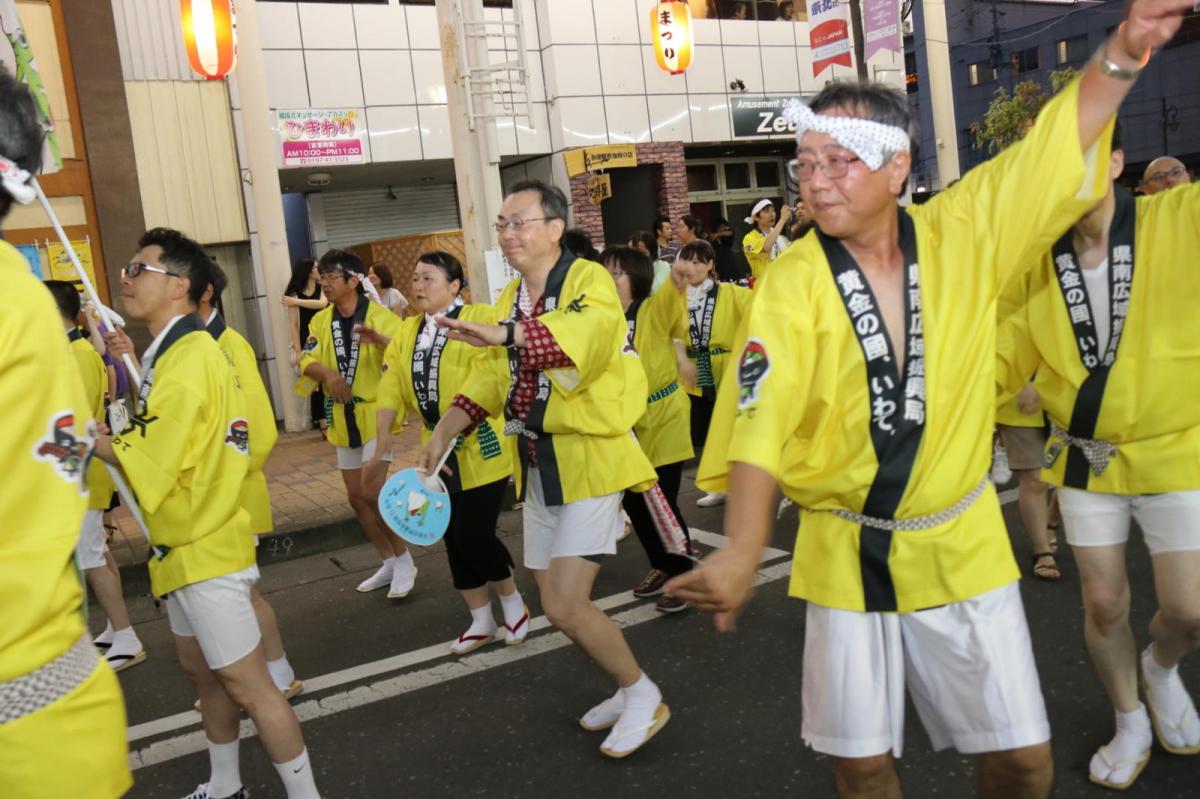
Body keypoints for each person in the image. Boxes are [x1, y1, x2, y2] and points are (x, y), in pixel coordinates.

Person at [666, 4, 1188, 793]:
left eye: (839, 161)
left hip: (961, 538)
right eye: (805, 163)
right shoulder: (793, 282)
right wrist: (740, 546)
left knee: (1021, 761)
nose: (814, 180)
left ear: (897, 167)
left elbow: (1050, 146)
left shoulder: (966, 232)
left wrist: (1125, 47)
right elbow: (760, 414)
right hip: (846, 547)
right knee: (862, 767)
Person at [419, 179, 669, 758]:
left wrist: (506, 335)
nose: (508, 233)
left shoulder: (588, 282)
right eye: (503, 224)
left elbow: (585, 336)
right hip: (540, 463)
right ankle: (625, 684)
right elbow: (488, 376)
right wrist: (443, 431)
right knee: (551, 597)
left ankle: (641, 692)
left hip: (592, 460)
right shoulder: (510, 297)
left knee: (565, 603)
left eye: (520, 221)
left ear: (556, 228)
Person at [997, 123, 1200, 789]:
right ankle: (1128, 716)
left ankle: (1160, 667)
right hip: (1086, 457)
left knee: (1192, 609)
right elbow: (996, 350)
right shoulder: (1031, 261)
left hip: (1177, 448)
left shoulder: (1176, 214)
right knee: (1105, 601)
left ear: (1116, 162)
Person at [95, 228, 320, 799]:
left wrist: (83, 439)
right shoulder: (176, 351)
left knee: (251, 687)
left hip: (204, 549)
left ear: (179, 287)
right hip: (183, 547)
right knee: (205, 678)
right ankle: (224, 784)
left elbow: (155, 455)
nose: (126, 277)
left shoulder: (192, 356)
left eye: (137, 268)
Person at [366, 251, 529, 654]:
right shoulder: (407, 332)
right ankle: (480, 619)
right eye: (416, 279)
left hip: (480, 443)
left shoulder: (481, 317)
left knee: (475, 532)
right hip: (434, 452)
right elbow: (391, 382)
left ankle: (513, 603)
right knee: (452, 537)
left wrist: (447, 430)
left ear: (455, 285)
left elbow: (488, 378)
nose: (418, 286)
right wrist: (383, 435)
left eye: (429, 279)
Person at [201, 264, 303, 701]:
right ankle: (252, 679)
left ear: (202, 292)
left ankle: (276, 675)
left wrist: (223, 482)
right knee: (230, 596)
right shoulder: (196, 347)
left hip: (231, 496)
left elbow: (257, 428)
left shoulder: (228, 345)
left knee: (241, 594)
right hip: (210, 498)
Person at [297, 249, 414, 598]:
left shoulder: (379, 316)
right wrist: (328, 374)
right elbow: (306, 359)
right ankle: (388, 560)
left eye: (332, 277)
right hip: (342, 418)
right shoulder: (322, 321)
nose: (326, 284)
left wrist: (381, 341)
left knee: (372, 491)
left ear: (353, 280)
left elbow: (409, 350)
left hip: (377, 414)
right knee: (355, 498)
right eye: (323, 278)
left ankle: (406, 559)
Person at [45, 280, 147, 671]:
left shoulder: (76, 354)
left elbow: (74, 422)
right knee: (97, 553)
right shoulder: (72, 351)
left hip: (82, 473)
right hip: (82, 470)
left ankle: (126, 635)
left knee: (90, 558)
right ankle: (115, 629)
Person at [601, 246, 695, 613]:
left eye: (616, 273)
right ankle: (663, 564)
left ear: (637, 279)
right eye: (604, 272)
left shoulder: (651, 308)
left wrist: (675, 281)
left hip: (663, 417)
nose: (608, 280)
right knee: (636, 506)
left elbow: (673, 312)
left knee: (664, 502)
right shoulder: (601, 318)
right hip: (624, 427)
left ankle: (682, 577)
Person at [678, 239, 752, 507]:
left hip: (728, 367)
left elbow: (761, 316)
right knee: (708, 431)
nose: (692, 267)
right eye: (687, 261)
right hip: (695, 372)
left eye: (698, 262)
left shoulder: (731, 293)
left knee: (735, 428)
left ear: (710, 265)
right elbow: (671, 333)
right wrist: (682, 359)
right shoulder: (676, 299)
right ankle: (718, 485)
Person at [282, 257, 328, 429]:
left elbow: (322, 304)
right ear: (308, 271)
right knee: (314, 381)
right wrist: (298, 349)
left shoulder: (322, 287)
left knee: (329, 375)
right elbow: (293, 324)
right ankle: (322, 421)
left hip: (325, 336)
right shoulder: (293, 293)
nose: (319, 271)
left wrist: (297, 302)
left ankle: (331, 416)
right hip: (307, 340)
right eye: (317, 268)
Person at [742, 197, 792, 282]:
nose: (772, 214)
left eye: (773, 210)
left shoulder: (782, 238)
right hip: (764, 288)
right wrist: (782, 219)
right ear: (756, 217)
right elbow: (766, 246)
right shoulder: (749, 238)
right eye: (766, 211)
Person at [708, 218, 750, 283]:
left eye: (725, 226)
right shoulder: (711, 241)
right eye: (721, 226)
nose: (723, 228)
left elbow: (730, 233)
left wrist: (717, 234)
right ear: (716, 227)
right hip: (719, 265)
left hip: (730, 264)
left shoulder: (726, 238)